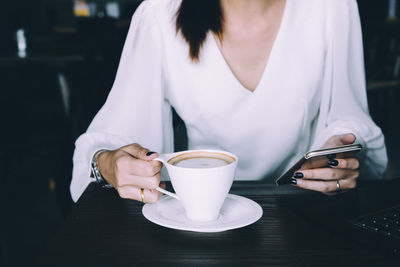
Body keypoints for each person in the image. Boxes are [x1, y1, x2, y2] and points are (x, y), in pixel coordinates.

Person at [70, 0, 388, 203]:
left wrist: (340, 153)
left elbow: (348, 115)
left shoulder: (331, 7)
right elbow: (113, 140)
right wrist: (108, 163)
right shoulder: (159, 15)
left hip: (300, 213)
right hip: (196, 218)